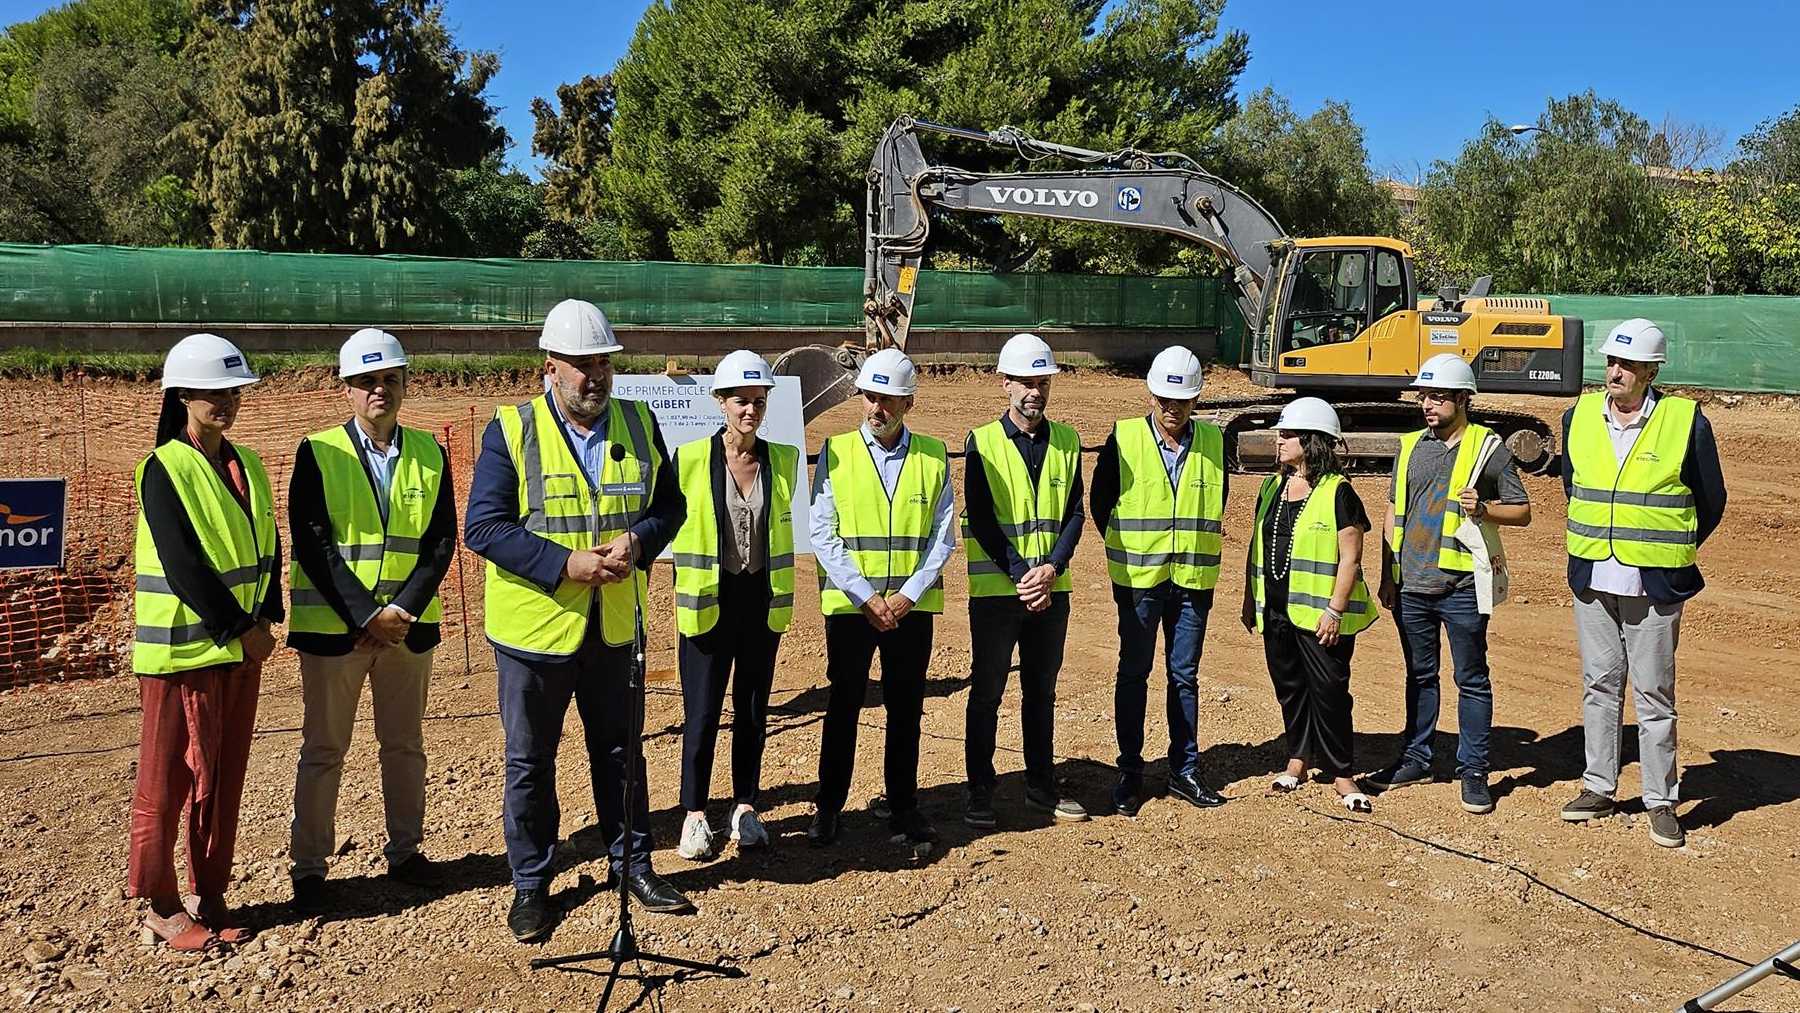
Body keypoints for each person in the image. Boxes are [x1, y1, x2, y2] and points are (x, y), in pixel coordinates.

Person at [464, 298, 691, 944]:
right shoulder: (512, 431)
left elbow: (668, 506)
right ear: (550, 368)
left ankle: (634, 865)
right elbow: (483, 526)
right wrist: (565, 564)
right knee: (531, 761)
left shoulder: (640, 422)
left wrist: (639, 543)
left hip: (614, 625)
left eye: (604, 363)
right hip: (534, 633)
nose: (596, 376)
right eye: (582, 364)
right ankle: (532, 884)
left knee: (622, 754)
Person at [286, 329, 457, 913]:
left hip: (406, 631)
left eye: (388, 379)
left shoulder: (431, 452)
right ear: (348, 389)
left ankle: (406, 853)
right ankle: (309, 870)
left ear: (405, 384)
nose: (378, 390)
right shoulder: (319, 451)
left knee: (404, 745)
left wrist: (400, 611)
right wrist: (365, 613)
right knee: (324, 749)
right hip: (338, 631)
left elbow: (440, 542)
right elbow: (312, 543)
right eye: (366, 381)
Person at [129, 333, 281, 950]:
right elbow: (184, 563)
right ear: (182, 394)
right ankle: (160, 902)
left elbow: (267, 546)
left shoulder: (248, 465)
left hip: (239, 652)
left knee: (223, 779)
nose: (224, 401)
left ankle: (210, 892)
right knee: (166, 784)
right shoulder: (161, 467)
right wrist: (242, 629)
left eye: (232, 390)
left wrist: (266, 617)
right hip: (181, 652)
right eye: (211, 392)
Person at [1558, 318, 1726, 849]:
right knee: (1599, 685)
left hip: (1654, 580)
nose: (1616, 372)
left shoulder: (1685, 421)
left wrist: (1669, 548)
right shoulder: (1577, 415)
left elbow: (1710, 499)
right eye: (1611, 362)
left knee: (1654, 694)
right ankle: (1598, 786)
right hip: (1592, 572)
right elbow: (1573, 486)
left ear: (1652, 370)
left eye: (1628, 365)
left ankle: (1660, 799)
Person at [807, 348, 957, 852]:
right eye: (870, 395)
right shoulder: (837, 450)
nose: (877, 406)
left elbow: (943, 535)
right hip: (854, 609)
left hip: (910, 611)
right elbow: (822, 532)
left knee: (906, 708)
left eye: (888, 398)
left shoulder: (934, 455)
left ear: (908, 402)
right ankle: (829, 807)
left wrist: (909, 595)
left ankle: (903, 803)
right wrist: (867, 596)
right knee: (844, 705)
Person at [1369, 353, 1531, 816]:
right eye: (1424, 395)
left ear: (1463, 398)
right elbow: (1391, 511)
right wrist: (1388, 573)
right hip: (1412, 586)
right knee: (1419, 677)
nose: (1427, 404)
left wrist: (1483, 509)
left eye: (1438, 396)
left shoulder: (1487, 448)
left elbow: (1522, 511)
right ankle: (1416, 759)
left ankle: (1473, 771)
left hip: (1461, 588)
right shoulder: (1409, 447)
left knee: (1471, 679)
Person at [670, 351, 799, 861]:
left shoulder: (783, 459)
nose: (751, 410)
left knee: (751, 710)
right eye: (741, 400)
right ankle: (694, 813)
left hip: (760, 601)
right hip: (707, 599)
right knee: (701, 713)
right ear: (720, 402)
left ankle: (745, 806)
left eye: (759, 401)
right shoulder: (689, 459)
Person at [1090, 345, 1228, 817]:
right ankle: (1129, 771)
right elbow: (1099, 502)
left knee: (1184, 675)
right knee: (1133, 673)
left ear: (1196, 401)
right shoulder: (1124, 437)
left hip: (1192, 580)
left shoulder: (1213, 442)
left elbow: (1218, 503)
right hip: (1139, 581)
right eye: (1165, 401)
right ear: (1151, 395)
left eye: (1183, 402)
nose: (1173, 410)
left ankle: (1184, 770)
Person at [961, 333, 1087, 828]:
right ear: (1005, 384)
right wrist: (1020, 574)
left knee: (1041, 690)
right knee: (987, 692)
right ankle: (979, 791)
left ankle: (1040, 786)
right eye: (1025, 382)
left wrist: (1051, 569)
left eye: (1042, 381)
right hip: (998, 593)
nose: (1034, 391)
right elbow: (981, 518)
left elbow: (1077, 511)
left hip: (1051, 591)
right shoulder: (983, 442)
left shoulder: (1069, 441)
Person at [1240, 397, 1379, 813]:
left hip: (1322, 617)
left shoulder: (1339, 492)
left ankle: (1341, 772)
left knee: (1330, 692)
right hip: (1277, 610)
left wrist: (1335, 611)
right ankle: (1298, 760)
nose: (1278, 440)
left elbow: (1351, 556)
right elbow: (1257, 547)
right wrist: (1251, 599)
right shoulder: (1272, 486)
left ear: (1312, 440)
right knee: (1291, 690)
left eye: (1287, 434)